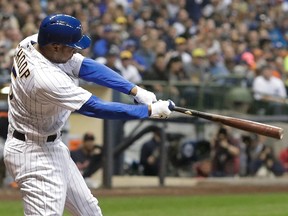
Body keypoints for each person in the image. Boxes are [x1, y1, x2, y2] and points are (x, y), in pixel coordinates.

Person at [3, 14, 174, 216]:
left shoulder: (32, 42)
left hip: (51, 145)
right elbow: (95, 107)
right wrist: (149, 111)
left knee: (89, 211)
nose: (76, 50)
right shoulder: (45, 78)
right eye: (72, 46)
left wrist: (134, 90)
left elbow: (85, 67)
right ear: (55, 46)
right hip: (32, 153)